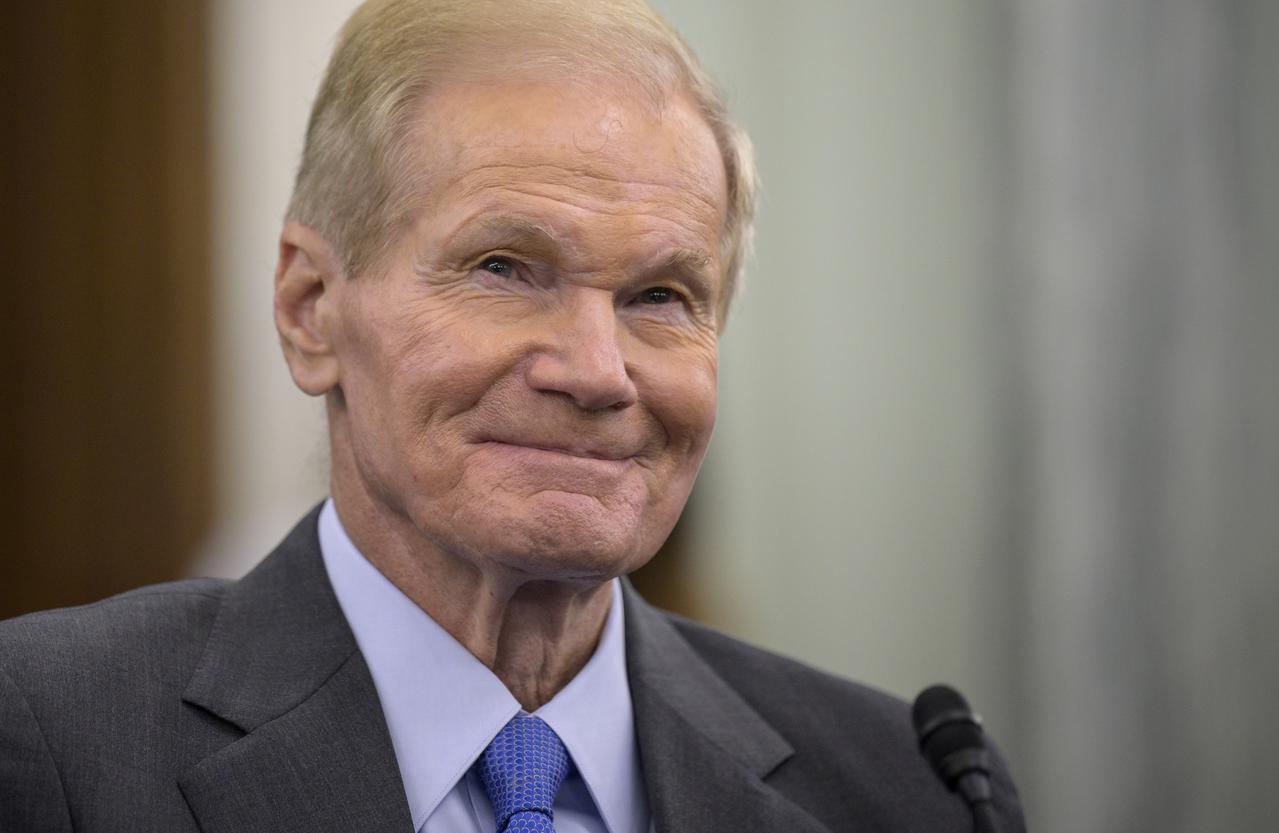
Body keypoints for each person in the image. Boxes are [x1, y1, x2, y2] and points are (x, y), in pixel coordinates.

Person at [0, 1, 1026, 831]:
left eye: (660, 295)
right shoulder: (52, 739)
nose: (596, 371)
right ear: (311, 310)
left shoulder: (908, 788)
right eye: (502, 268)